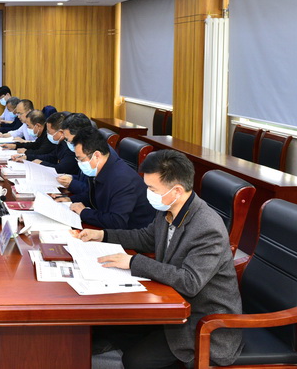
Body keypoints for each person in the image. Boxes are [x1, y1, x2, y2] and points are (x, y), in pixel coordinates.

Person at [75, 150, 243, 368]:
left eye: (152, 189)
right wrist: (103, 235)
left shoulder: (207, 228)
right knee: (109, 323)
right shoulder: (169, 208)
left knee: (135, 361)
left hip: (203, 321)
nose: (148, 194)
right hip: (172, 301)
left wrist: (133, 262)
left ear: (177, 190)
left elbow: (190, 282)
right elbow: (146, 237)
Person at [69, 127, 155, 229]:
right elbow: (92, 196)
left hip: (132, 233)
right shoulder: (101, 168)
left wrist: (84, 212)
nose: (79, 163)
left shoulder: (122, 180)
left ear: (96, 155)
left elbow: (116, 221)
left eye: (80, 159)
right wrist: (69, 200)